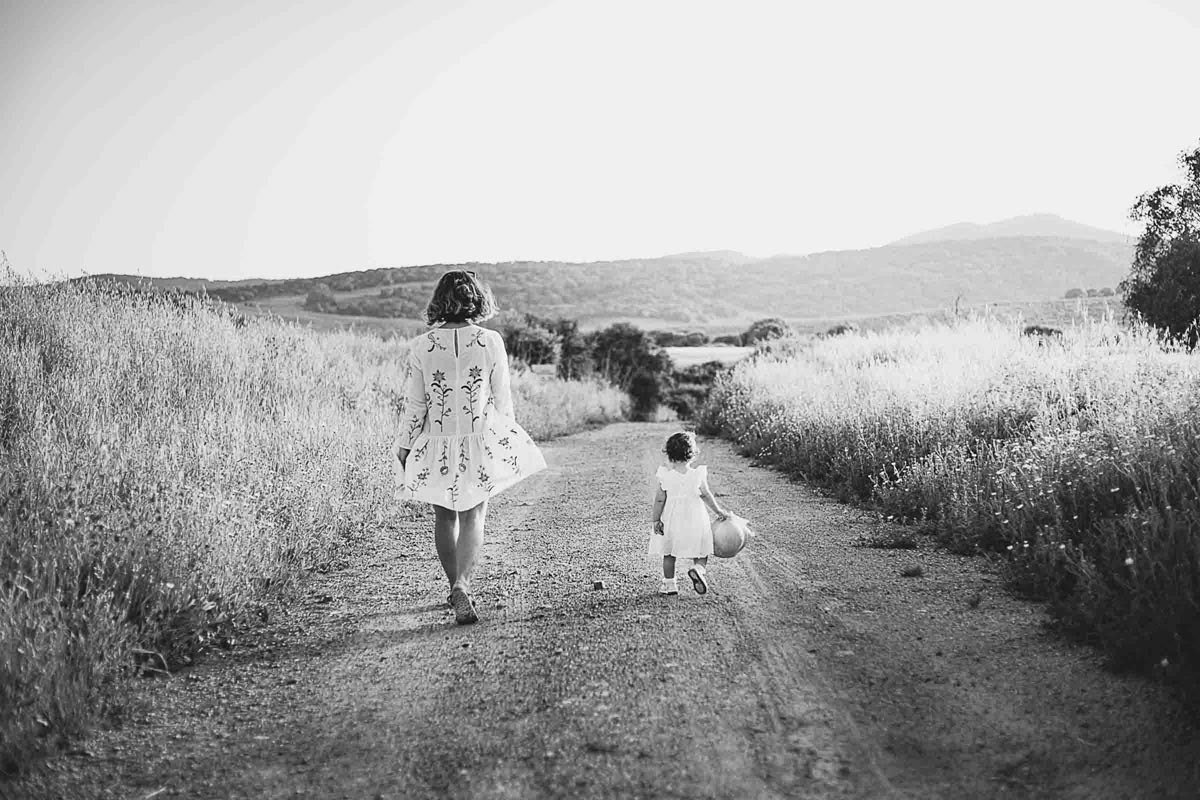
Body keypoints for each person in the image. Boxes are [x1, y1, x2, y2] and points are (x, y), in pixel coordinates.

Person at [394, 270, 546, 624]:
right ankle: (463, 584)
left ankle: (453, 588)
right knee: (474, 514)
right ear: (477, 298)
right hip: (478, 440)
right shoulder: (491, 341)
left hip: (436, 442)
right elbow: (502, 401)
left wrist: (404, 445)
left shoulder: (421, 346)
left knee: (444, 516)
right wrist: (507, 437)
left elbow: (416, 406)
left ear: (439, 299)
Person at [649, 431, 729, 596]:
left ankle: (669, 584)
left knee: (669, 553)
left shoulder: (665, 475)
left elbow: (659, 500)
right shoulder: (697, 474)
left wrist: (656, 520)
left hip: (672, 521)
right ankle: (698, 568)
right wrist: (718, 511)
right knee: (701, 550)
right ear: (692, 455)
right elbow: (706, 495)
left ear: (669, 455)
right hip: (696, 520)